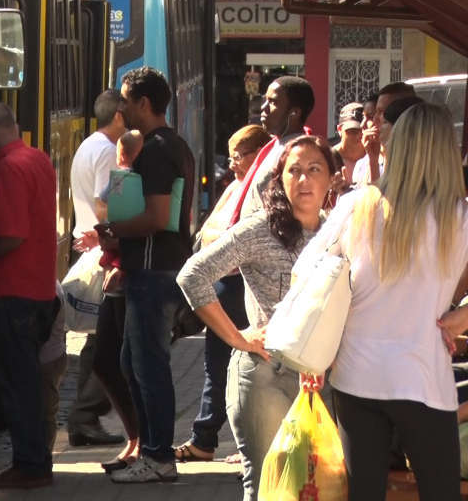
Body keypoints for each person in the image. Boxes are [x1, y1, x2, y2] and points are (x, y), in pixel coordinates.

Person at [320, 103, 468, 500]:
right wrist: (460, 318)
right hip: (423, 374)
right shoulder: (460, 217)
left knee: (364, 493)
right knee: (440, 493)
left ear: (396, 147)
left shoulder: (355, 205)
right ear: (446, 153)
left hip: (355, 375)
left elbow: (308, 274)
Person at [176, 136, 337, 500]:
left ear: (332, 178)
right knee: (268, 484)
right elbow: (192, 275)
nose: (305, 179)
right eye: (294, 170)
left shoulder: (338, 231)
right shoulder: (260, 229)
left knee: (320, 488)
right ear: (279, 179)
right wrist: (237, 337)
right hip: (268, 375)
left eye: (315, 170)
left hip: (324, 381)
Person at [98, 67, 195, 484]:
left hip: (155, 270)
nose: (121, 110)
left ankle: (157, 456)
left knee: (149, 364)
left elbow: (157, 217)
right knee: (131, 360)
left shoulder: (157, 149)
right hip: (154, 268)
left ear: (143, 103)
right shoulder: (175, 145)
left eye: (125, 101)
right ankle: (150, 448)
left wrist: (114, 230)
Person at [0, 102, 57, 490]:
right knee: (27, 381)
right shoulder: (36, 159)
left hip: (13, 292)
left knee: (17, 385)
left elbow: (12, 234)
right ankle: (34, 460)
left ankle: (30, 465)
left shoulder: (9, 169)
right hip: (37, 288)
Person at [172, 124, 270, 463]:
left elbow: (228, 236)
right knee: (218, 364)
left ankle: (214, 438)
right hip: (220, 282)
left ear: (257, 154)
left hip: (237, 284)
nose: (232, 164)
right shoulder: (236, 189)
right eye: (230, 157)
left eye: (239, 156)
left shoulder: (258, 189)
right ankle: (207, 436)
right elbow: (209, 230)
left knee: (231, 363)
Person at [67, 89, 129, 447]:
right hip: (102, 251)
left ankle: (85, 415)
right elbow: (109, 205)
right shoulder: (107, 151)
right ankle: (86, 414)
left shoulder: (88, 145)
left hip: (91, 246)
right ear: (118, 116)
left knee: (98, 338)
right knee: (107, 339)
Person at [91, 127, 145, 473]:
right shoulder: (127, 180)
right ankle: (137, 436)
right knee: (105, 360)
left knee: (128, 363)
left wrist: (117, 252)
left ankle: (142, 440)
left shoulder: (131, 181)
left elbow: (123, 226)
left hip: (127, 277)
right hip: (117, 276)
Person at [233, 76, 316, 222]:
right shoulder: (275, 146)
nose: (263, 107)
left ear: (295, 112)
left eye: (272, 102)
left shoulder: (298, 155)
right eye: (265, 100)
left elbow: (283, 218)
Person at [352, 81, 416, 185]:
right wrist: (373, 162)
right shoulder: (364, 163)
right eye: (375, 112)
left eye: (382, 112)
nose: (376, 119)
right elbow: (375, 199)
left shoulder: (421, 162)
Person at [39, 298, 67, 453]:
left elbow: (40, 332)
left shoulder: (50, 291)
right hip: (50, 357)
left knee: (45, 412)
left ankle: (43, 458)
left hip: (47, 359)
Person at [333, 117, 365, 186]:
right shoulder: (327, 159)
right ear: (339, 129)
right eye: (353, 131)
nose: (359, 135)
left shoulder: (378, 157)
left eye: (364, 129)